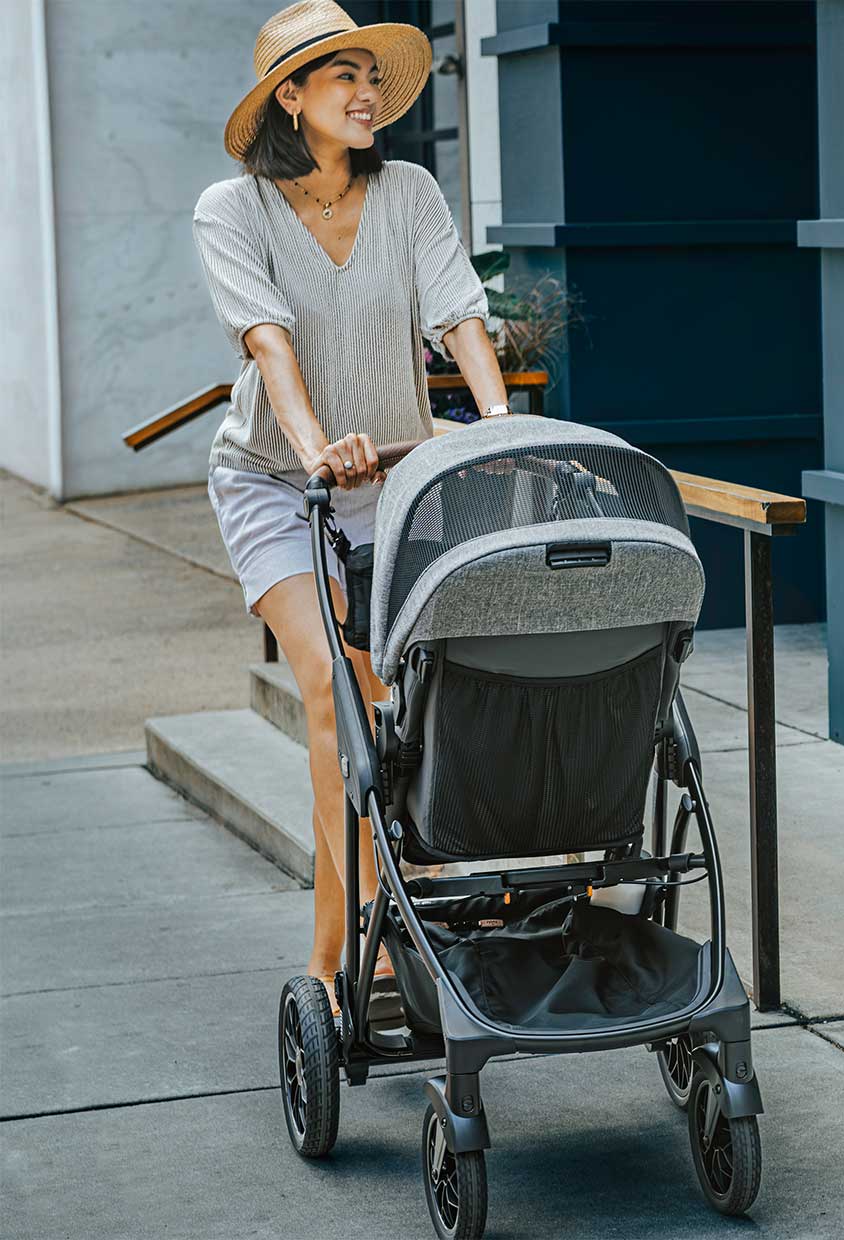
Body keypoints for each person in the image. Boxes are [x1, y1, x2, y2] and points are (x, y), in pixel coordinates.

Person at [192, 0, 511, 1018]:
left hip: (393, 476)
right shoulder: (231, 211)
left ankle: (331, 955)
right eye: (344, 78)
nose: (368, 93)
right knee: (331, 688)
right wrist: (314, 443)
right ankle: (382, 928)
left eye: (373, 76)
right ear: (291, 97)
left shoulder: (408, 190)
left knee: (369, 717)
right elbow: (268, 342)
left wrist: (497, 418)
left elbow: (459, 309)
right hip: (275, 482)